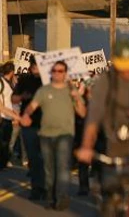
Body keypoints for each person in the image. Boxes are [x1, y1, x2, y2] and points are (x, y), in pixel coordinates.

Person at [76, 43, 129, 217]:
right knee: (110, 188)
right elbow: (94, 117)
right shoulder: (105, 80)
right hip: (117, 140)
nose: (126, 73)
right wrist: (86, 146)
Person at [20, 61, 87, 210]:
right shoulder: (44, 90)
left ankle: (61, 197)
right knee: (49, 169)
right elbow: (32, 106)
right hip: (46, 135)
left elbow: (82, 113)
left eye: (61, 71)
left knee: (62, 167)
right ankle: (51, 196)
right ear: (51, 73)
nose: (57, 73)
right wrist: (26, 115)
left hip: (65, 134)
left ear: (65, 73)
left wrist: (77, 97)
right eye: (54, 71)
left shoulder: (71, 90)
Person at [12, 55, 46, 201]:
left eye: (37, 65)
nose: (35, 67)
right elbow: (13, 98)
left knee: (45, 159)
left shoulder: (48, 80)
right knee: (33, 158)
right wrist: (22, 97)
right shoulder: (24, 80)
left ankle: (46, 187)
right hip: (29, 125)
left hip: (46, 125)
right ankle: (36, 189)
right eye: (33, 65)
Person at [0, 62, 18, 169]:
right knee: (3, 141)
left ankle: (4, 162)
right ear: (12, 72)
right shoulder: (1, 82)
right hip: (2, 116)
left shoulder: (9, 83)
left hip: (8, 116)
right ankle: (2, 163)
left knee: (6, 140)